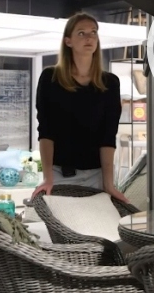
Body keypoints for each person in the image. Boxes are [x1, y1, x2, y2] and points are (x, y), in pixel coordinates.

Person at [32, 12, 128, 202]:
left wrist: (109, 184)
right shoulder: (51, 78)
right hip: (60, 175)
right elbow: (46, 132)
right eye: (81, 33)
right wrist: (48, 177)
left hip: (96, 176)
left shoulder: (110, 83)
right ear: (68, 41)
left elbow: (108, 137)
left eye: (93, 32)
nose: (89, 37)